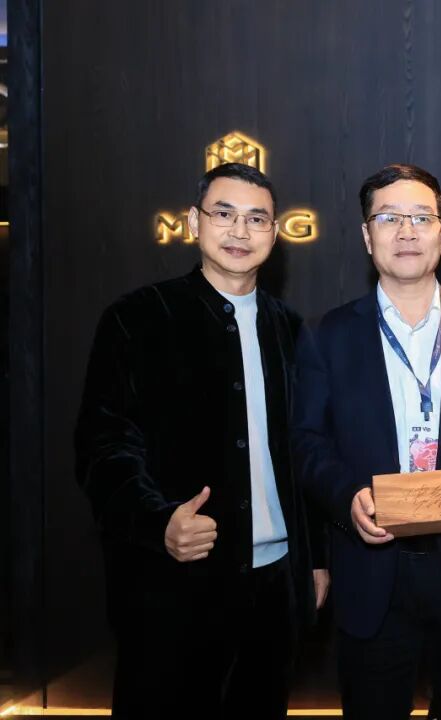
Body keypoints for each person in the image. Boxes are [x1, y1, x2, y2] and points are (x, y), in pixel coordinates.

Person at [74, 162, 328, 719]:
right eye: (224, 213)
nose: (240, 231)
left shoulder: (290, 329)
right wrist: (157, 521)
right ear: (194, 222)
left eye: (256, 219)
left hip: (275, 588)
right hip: (174, 585)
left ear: (274, 233)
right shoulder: (138, 318)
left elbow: (306, 452)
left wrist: (316, 559)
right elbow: (103, 445)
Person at [291, 163, 441, 720]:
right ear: (366, 234)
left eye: (421, 218)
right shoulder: (327, 333)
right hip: (373, 569)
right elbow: (306, 440)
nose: (406, 231)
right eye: (389, 218)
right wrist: (347, 497)